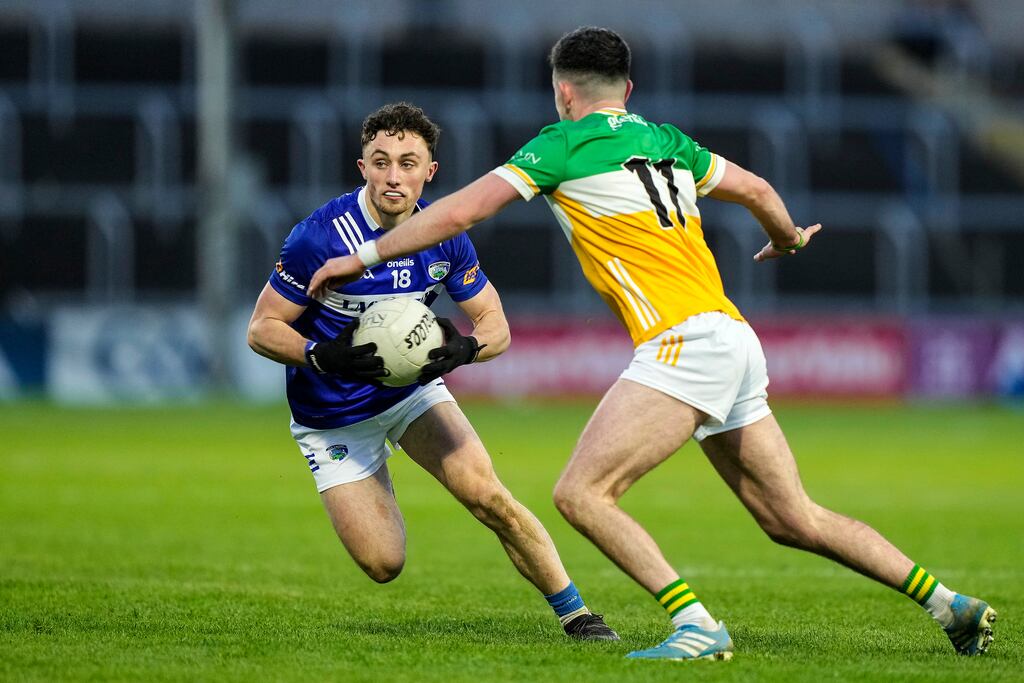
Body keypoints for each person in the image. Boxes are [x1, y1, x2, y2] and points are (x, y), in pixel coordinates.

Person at [306, 29, 999, 661]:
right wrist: (786, 237)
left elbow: (459, 211)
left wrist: (360, 255)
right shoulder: (668, 141)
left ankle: (696, 624)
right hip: (733, 336)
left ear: (563, 91)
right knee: (793, 518)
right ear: (628, 90)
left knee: (582, 494)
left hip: (682, 341)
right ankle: (949, 604)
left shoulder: (561, 143)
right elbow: (757, 187)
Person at [247, 102, 618, 642]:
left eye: (407, 162)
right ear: (363, 167)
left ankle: (578, 615)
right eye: (380, 162)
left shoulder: (443, 235)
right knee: (382, 564)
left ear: (430, 171)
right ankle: (371, 477)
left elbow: (496, 324)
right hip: (332, 419)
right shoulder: (319, 238)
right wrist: (320, 355)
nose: (393, 176)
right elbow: (261, 328)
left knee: (487, 494)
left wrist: (466, 351)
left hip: (411, 397)